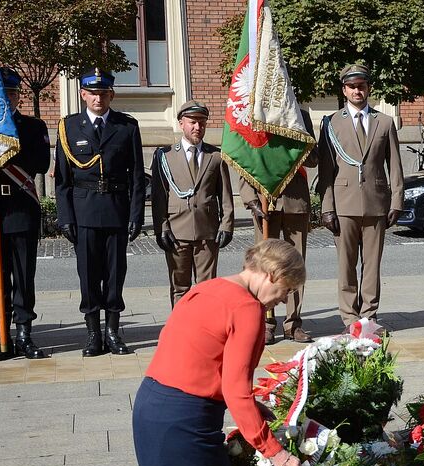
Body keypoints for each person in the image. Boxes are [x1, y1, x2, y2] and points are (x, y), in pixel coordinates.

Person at [46, 239, 307, 466]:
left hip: (151, 404)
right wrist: (279, 457)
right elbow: (236, 392)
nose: (281, 301)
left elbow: (203, 361)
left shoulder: (207, 288)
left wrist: (254, 410)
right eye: (286, 289)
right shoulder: (247, 309)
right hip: (184, 419)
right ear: (272, 274)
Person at [54, 68, 146, 356]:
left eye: (104, 93)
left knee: (116, 274)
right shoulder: (68, 128)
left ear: (111, 95)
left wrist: (135, 216)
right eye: (93, 93)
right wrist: (66, 217)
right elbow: (62, 180)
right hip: (84, 212)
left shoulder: (126, 126)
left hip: (117, 210)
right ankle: (93, 333)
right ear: (83, 94)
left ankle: (113, 332)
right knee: (89, 274)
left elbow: (136, 178)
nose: (98, 98)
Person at [0, 67, 50, 360]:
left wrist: (6, 139)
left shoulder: (33, 127)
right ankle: (2, 335)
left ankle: (24, 334)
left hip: (20, 209)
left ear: (18, 97)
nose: (7, 99)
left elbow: (41, 163)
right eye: (1, 94)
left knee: (24, 276)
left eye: (12, 94)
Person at [317, 63, 404, 331]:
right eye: (352, 86)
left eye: (362, 86)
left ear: (369, 88)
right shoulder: (331, 123)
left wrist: (397, 201)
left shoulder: (385, 122)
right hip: (343, 204)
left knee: (372, 264)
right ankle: (349, 318)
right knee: (346, 265)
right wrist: (327, 207)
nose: (357, 90)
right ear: (344, 90)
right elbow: (325, 169)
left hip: (376, 203)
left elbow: (395, 166)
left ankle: (369, 315)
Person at [239, 110, 316, 344]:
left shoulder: (299, 115)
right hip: (264, 202)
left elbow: (313, 159)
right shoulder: (253, 113)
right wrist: (250, 199)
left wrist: (297, 135)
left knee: (296, 262)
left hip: (295, 201)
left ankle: (293, 323)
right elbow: (244, 159)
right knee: (263, 265)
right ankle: (266, 322)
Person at [151, 100, 233, 307]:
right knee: (180, 287)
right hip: (177, 231)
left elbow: (225, 195)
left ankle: (206, 329)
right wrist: (161, 228)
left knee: (208, 287)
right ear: (181, 123)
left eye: (202, 122)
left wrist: (227, 225)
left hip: (207, 231)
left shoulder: (215, 156)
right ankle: (181, 331)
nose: (198, 127)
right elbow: (160, 197)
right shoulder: (165, 156)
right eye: (192, 122)